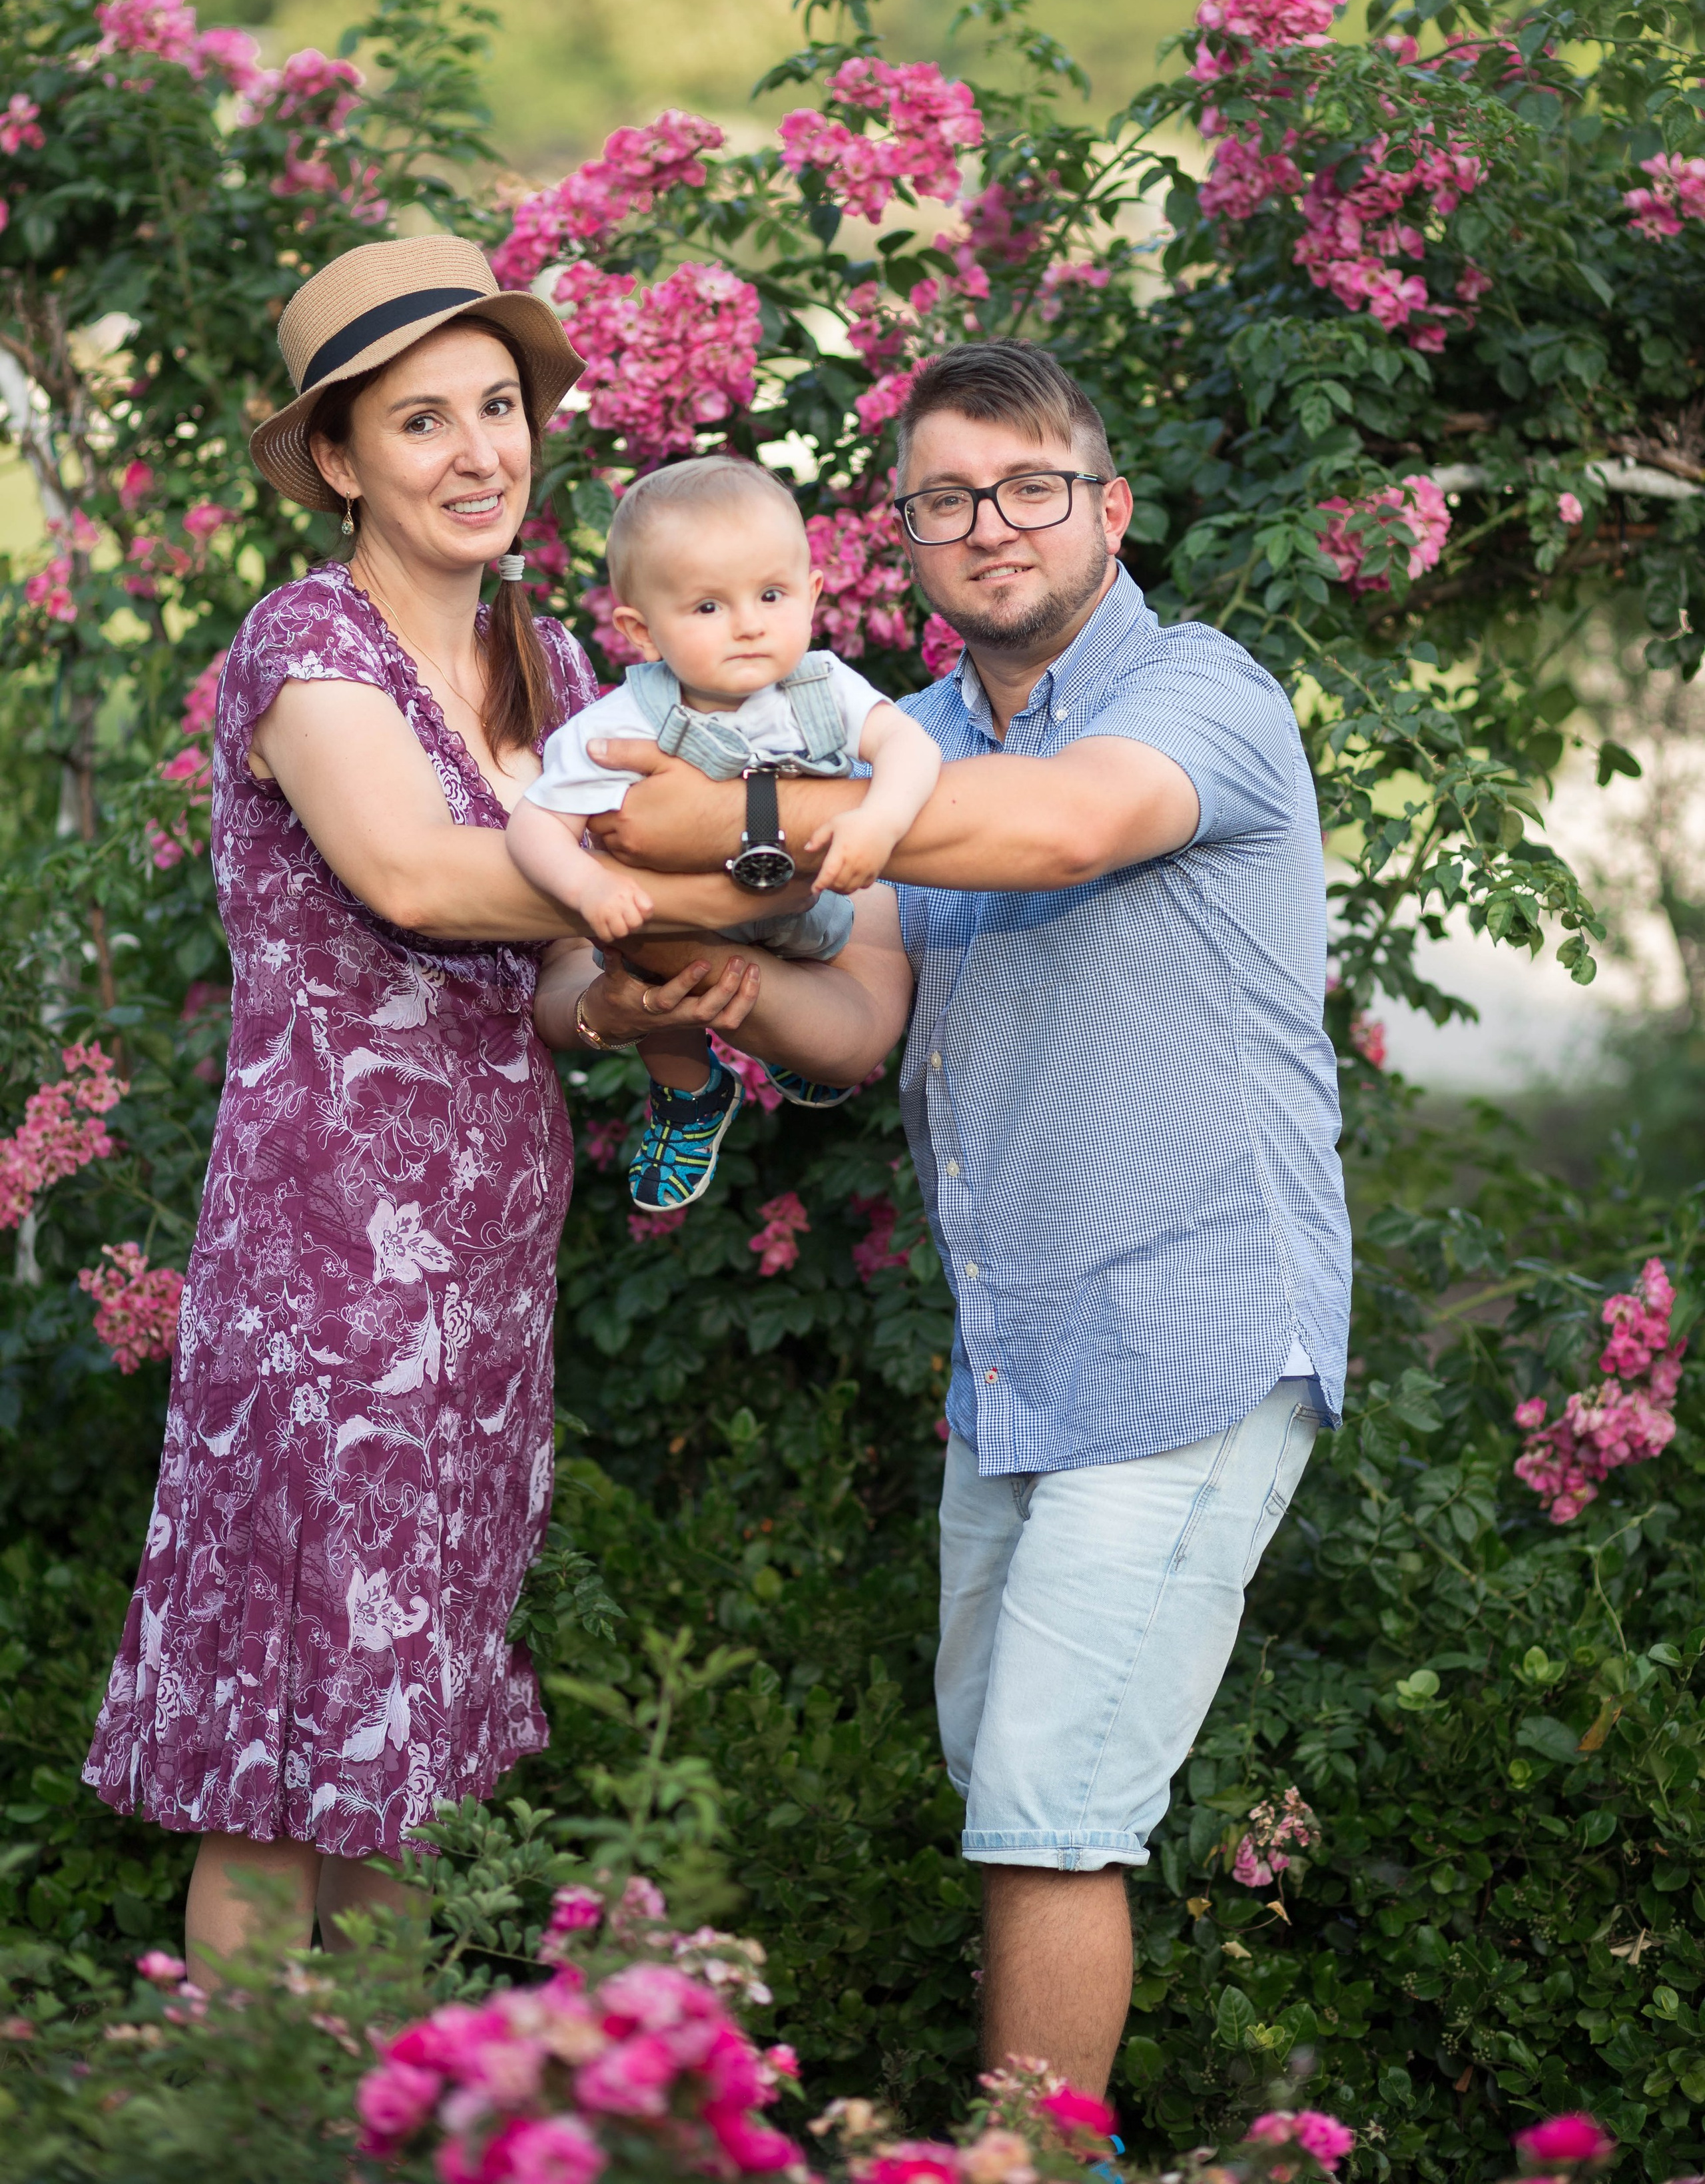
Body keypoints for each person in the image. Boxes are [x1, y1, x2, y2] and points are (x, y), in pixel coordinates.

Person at [538, 341, 1351, 2098]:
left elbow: (1060, 833)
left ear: (1109, 509)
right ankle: (1062, 2144)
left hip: (1195, 1317)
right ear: (898, 539)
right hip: (1030, 1352)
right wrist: (725, 997)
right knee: (1012, 1782)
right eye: (944, 498)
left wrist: (713, 816)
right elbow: (860, 1030)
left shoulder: (1203, 693)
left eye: (1031, 486)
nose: (991, 525)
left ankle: (1021, 2160)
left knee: (1053, 1797)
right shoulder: (912, 750)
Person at [83, 237, 763, 1975]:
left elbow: (524, 982)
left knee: (406, 1763)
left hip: (475, 1293)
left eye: (499, 408)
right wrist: (698, 881)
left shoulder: (530, 672)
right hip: (325, 1285)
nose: (478, 453)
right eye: (419, 422)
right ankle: (238, 2133)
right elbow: (414, 875)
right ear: (337, 459)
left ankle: (374, 2119)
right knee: (280, 1766)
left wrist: (629, 995)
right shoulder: (311, 641)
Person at [508, 454, 940, 1211]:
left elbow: (910, 748)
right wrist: (587, 884)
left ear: (811, 594)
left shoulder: (822, 685)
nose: (747, 624)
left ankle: (790, 1051)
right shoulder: (620, 723)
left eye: (770, 594)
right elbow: (535, 826)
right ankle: (689, 1091)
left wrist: (880, 818)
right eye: (707, 607)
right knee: (639, 959)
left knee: (823, 962)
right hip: (681, 925)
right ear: (642, 631)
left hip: (811, 912)